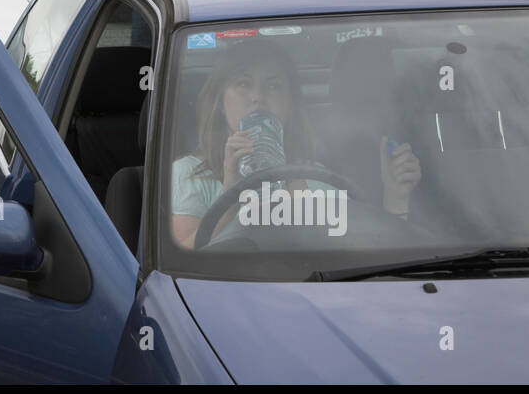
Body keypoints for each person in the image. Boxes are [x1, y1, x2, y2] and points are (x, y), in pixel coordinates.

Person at [171, 39, 422, 249]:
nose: (258, 97)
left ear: (290, 105)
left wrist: (396, 196)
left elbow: (367, 255)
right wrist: (231, 190)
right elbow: (183, 261)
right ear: (221, 104)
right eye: (244, 84)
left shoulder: (317, 176)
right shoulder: (191, 173)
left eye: (274, 86)